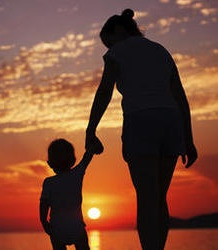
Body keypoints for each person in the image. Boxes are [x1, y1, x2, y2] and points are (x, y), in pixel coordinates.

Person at [85, 8, 198, 250]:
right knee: (159, 197)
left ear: (117, 31)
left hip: (141, 121)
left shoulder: (118, 52)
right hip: (170, 122)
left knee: (146, 198)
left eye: (108, 42)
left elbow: (104, 91)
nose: (108, 48)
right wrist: (188, 140)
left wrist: (90, 129)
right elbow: (180, 97)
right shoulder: (161, 51)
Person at [40, 138, 102, 250]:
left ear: (49, 163)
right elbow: (86, 158)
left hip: (57, 228)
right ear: (73, 160)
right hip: (76, 226)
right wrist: (93, 148)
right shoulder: (76, 174)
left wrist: (44, 222)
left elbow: (44, 205)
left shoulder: (48, 183)